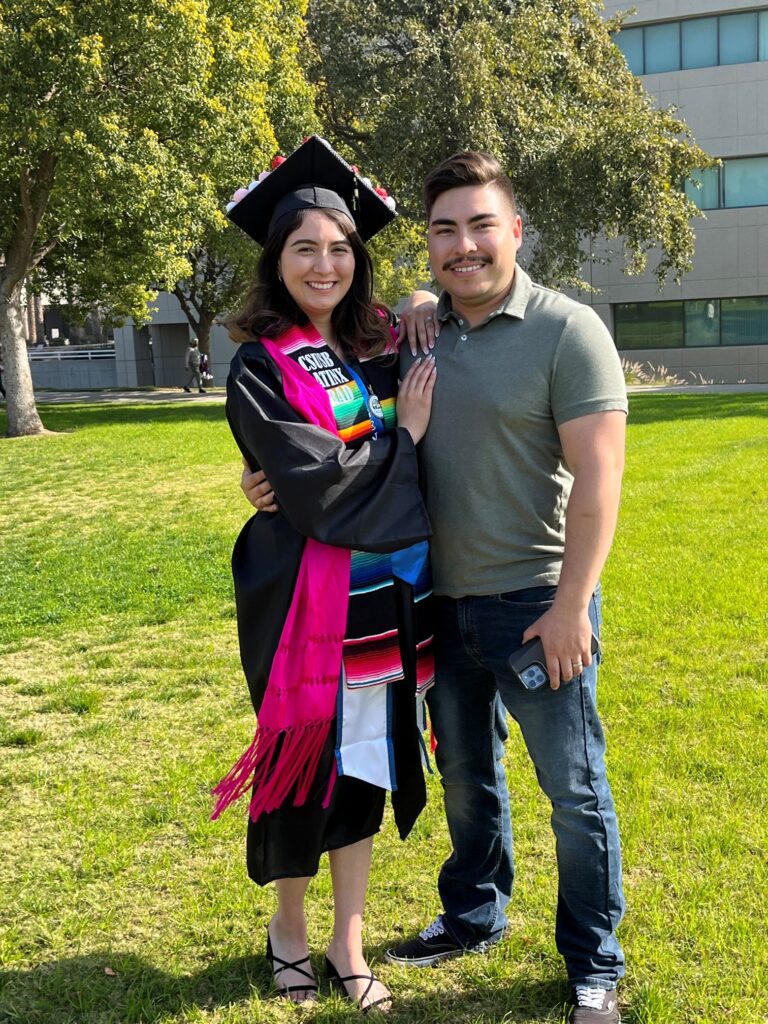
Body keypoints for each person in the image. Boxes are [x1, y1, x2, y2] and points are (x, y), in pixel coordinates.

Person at [245, 150, 628, 1024]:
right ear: (428, 246)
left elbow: (601, 484)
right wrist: (267, 478)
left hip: (535, 602)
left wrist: (572, 605)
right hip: (432, 608)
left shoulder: (568, 332)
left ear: (516, 232)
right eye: (446, 231)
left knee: (572, 789)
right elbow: (338, 435)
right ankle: (472, 914)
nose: (465, 246)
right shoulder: (411, 332)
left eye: (481, 225)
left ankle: (593, 962)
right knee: (465, 778)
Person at [212, 136, 438, 1013]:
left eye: (341, 247)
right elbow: (316, 490)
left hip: (383, 595)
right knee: (303, 765)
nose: (325, 263)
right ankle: (291, 931)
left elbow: (450, 320)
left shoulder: (374, 345)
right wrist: (402, 439)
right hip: (301, 597)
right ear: (277, 260)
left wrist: (422, 294)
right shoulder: (261, 367)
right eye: (304, 247)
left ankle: (350, 943)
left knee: (365, 765)